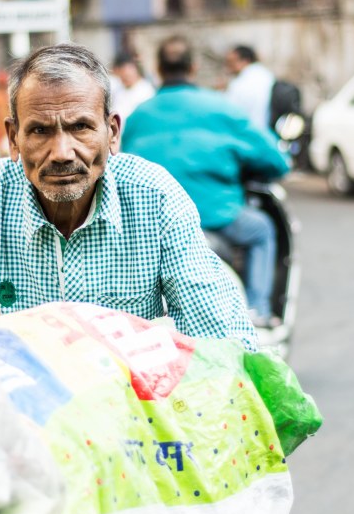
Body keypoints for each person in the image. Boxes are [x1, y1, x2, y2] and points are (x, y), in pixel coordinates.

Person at [0, 42, 258, 351]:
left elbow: (219, 342)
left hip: (137, 406)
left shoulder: (155, 198)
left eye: (80, 127)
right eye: (40, 130)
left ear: (112, 132)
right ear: (13, 138)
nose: (61, 152)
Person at [121, 35, 290, 327]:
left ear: (158, 69)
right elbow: (276, 161)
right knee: (262, 230)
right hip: (217, 217)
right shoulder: (222, 108)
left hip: (149, 226)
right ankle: (257, 311)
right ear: (194, 67)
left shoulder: (137, 117)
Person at [224, 45, 275, 131]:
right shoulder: (267, 76)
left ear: (245, 61)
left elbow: (229, 111)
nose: (228, 67)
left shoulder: (239, 83)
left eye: (231, 62)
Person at [111, 52, 155, 127]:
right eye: (123, 75)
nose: (126, 77)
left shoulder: (146, 90)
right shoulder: (117, 90)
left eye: (128, 72)